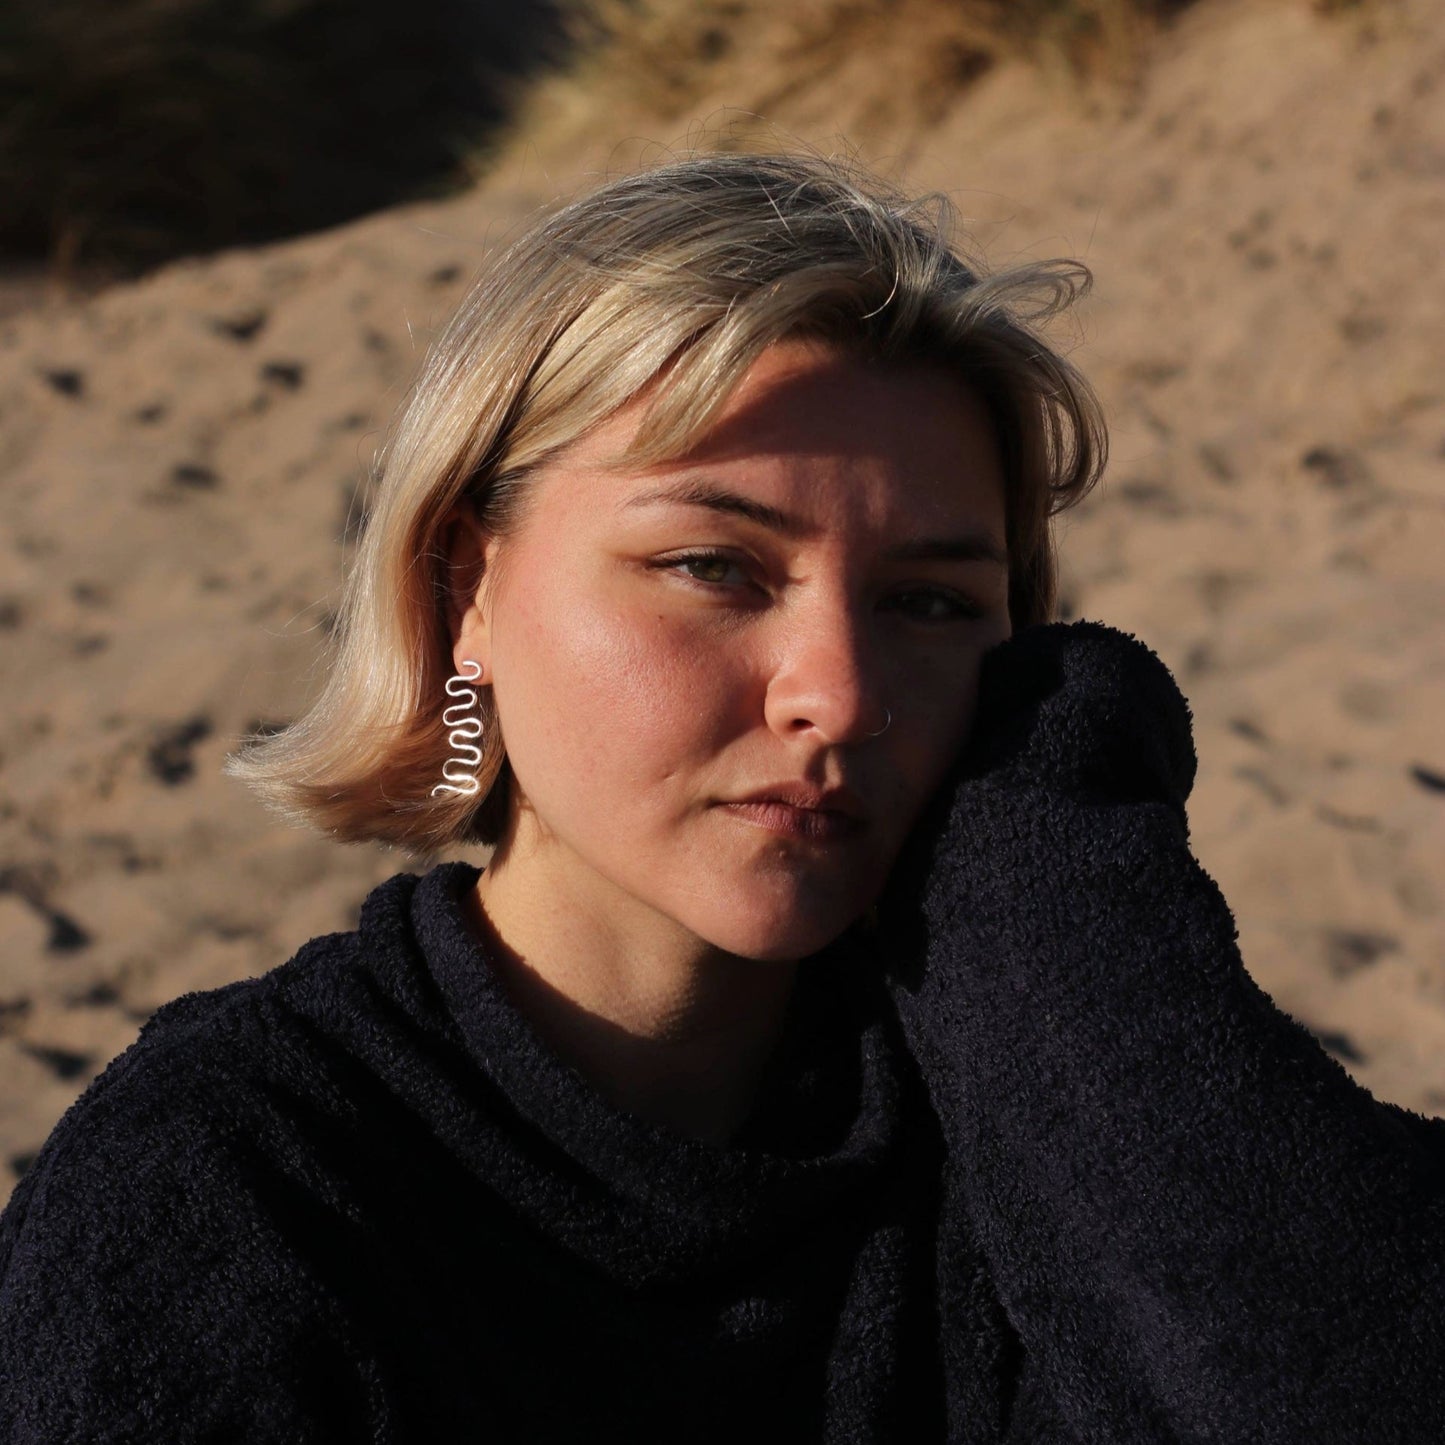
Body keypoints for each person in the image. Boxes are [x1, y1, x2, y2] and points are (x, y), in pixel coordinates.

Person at [1, 153, 1442, 1443]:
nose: (840, 690)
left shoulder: (1053, 1129)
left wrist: (1040, 832)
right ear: (466, 589)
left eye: (931, 601)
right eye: (715, 567)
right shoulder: (231, 1183)